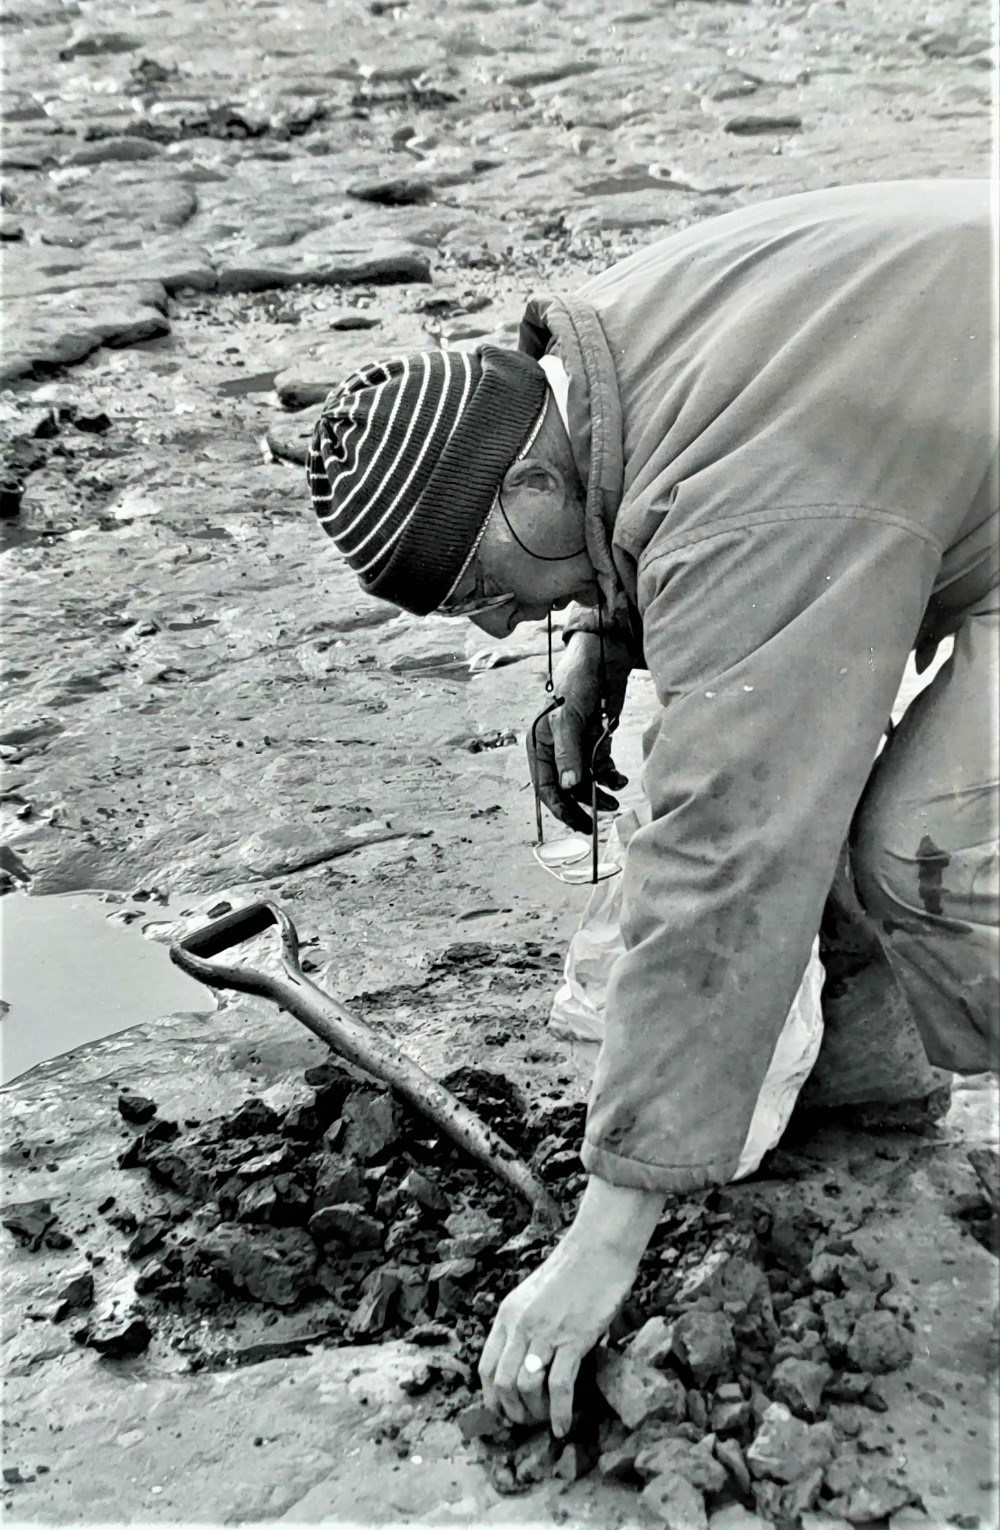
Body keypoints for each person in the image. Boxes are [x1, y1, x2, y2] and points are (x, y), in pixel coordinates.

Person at [307, 179, 998, 1437]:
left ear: (524, 490)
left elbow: (731, 849)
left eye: (486, 594)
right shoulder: (601, 356)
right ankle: (861, 1089)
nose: (503, 625)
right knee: (794, 757)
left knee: (926, 844)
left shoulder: (760, 500)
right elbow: (644, 490)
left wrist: (606, 1230)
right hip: (937, 441)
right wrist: (593, 640)